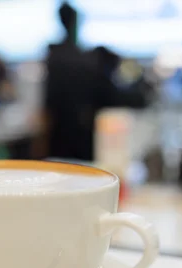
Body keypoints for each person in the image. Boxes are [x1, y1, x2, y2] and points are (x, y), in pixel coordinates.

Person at [33, 3, 148, 162]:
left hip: (58, 139)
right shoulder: (88, 60)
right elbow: (117, 97)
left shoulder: (54, 57)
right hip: (84, 140)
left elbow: (47, 103)